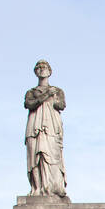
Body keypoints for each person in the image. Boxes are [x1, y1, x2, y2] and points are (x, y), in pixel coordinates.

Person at [24, 59, 67, 197]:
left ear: (50, 71)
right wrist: (47, 95)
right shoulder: (31, 92)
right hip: (35, 126)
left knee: (52, 154)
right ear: (35, 71)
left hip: (51, 126)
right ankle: (37, 188)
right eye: (39, 67)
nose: (42, 69)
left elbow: (61, 105)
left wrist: (53, 98)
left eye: (44, 67)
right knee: (36, 155)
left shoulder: (58, 91)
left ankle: (53, 186)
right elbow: (29, 104)